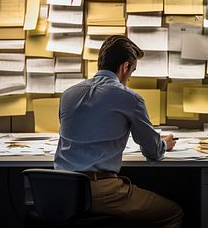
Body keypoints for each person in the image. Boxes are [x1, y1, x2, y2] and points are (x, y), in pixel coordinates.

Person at [54, 35, 183, 228]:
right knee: (173, 213)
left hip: (61, 191)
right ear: (125, 67)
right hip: (101, 192)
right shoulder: (130, 98)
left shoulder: (68, 95)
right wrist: (164, 143)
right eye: (132, 70)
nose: (130, 77)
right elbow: (153, 152)